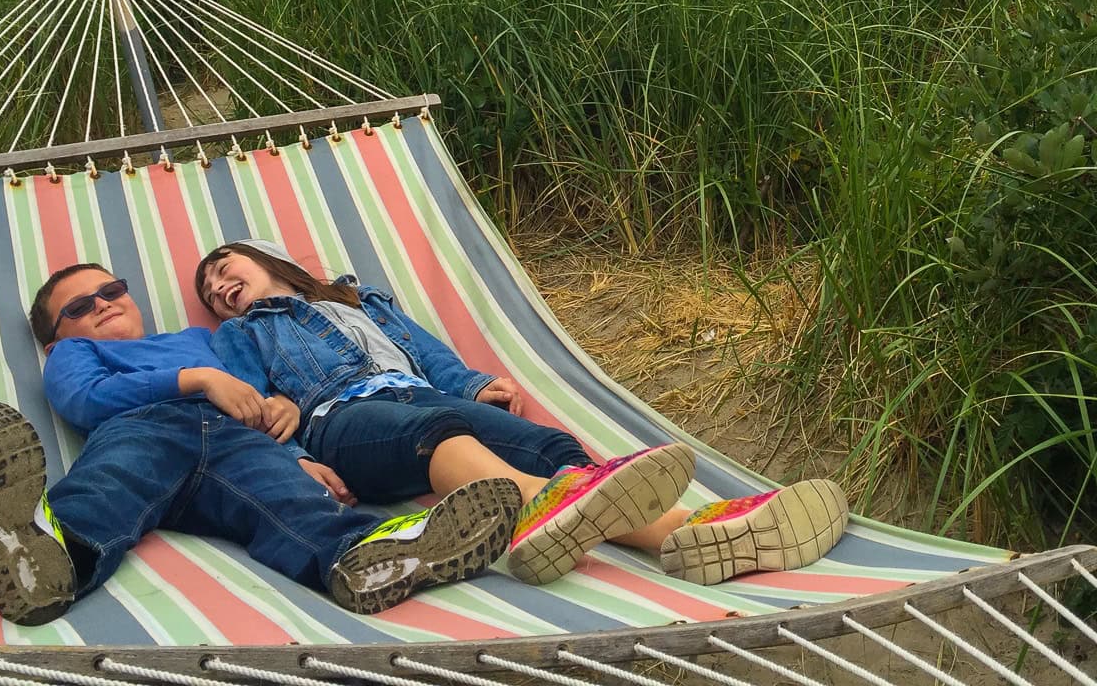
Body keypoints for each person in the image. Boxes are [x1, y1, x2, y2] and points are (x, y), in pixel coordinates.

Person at [197, 241, 850, 587]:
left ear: (263, 255)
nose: (220, 286)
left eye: (226, 267)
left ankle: (696, 535)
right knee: (432, 433)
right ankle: (551, 509)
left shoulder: (361, 298)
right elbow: (249, 412)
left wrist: (473, 384)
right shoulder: (240, 336)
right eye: (211, 291)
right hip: (343, 422)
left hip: (429, 396)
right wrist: (295, 459)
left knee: (549, 445)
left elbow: (428, 355)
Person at [0, 263, 522, 626]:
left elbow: (261, 389)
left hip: (238, 441)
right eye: (77, 307)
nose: (100, 304)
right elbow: (84, 401)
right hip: (145, 426)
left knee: (291, 505)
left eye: (110, 290)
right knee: (108, 485)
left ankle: (369, 559)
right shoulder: (75, 355)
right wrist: (195, 379)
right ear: (55, 338)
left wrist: (291, 427)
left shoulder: (203, 337)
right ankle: (44, 559)